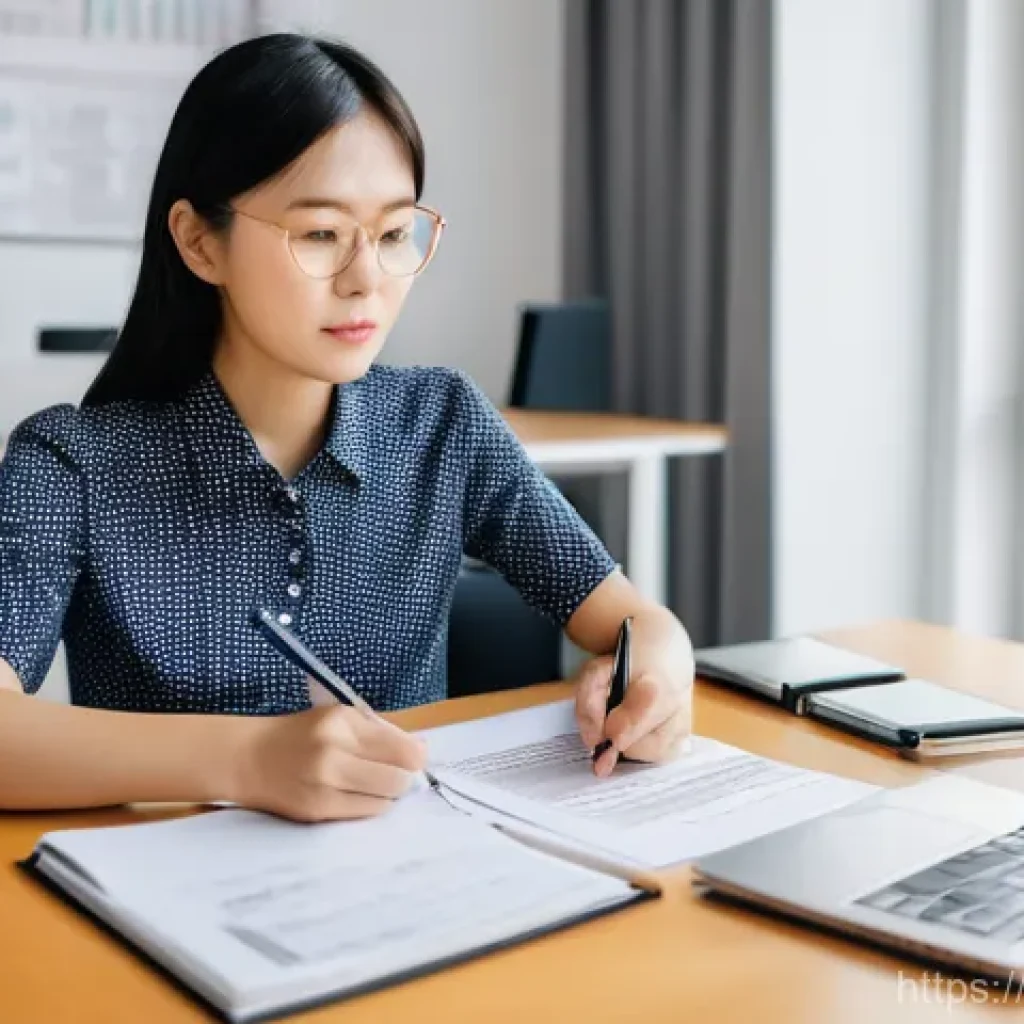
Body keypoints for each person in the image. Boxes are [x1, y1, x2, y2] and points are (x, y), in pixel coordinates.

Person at [0, 34, 693, 822]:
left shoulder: (442, 424)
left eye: (394, 234)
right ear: (198, 242)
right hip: (151, 882)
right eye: (321, 234)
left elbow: (637, 621)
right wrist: (249, 760)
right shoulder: (71, 463)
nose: (367, 278)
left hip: (413, 872)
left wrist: (655, 677)